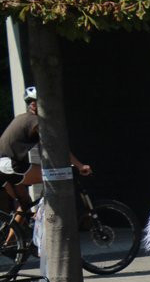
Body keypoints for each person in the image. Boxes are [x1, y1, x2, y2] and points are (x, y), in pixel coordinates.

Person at [0, 86, 92, 214]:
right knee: (55, 177)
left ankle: (13, 233)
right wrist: (80, 165)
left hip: (4, 166)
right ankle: (45, 216)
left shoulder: (22, 118)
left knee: (25, 204)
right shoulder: (35, 121)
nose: (32, 102)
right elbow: (55, 146)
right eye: (30, 101)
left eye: (35, 99)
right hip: (11, 165)